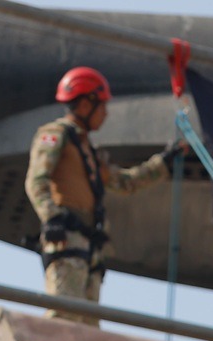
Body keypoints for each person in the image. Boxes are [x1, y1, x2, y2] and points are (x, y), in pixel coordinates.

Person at [25, 66, 179, 323]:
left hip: (90, 246)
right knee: (64, 315)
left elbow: (125, 182)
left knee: (88, 325)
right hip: (69, 239)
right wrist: (51, 218)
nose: (106, 114)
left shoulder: (89, 152)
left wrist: (163, 162)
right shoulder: (56, 135)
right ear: (86, 105)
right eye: (103, 106)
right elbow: (36, 179)